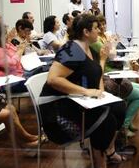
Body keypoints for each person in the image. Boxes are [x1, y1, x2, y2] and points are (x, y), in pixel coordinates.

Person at [39, 14, 127, 167]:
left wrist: (102, 61)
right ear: (86, 32)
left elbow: (96, 79)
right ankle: (101, 162)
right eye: (95, 28)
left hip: (73, 102)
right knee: (106, 120)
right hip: (57, 113)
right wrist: (86, 92)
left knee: (118, 108)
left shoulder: (87, 49)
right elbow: (53, 79)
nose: (99, 31)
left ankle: (109, 151)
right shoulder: (71, 49)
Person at [90, 15, 139, 138]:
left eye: (104, 24)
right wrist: (112, 43)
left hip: (112, 72)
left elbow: (112, 53)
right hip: (107, 76)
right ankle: (124, 126)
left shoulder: (102, 38)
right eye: (98, 26)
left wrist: (112, 44)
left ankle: (128, 120)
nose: (103, 27)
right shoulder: (96, 42)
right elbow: (111, 54)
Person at [0, 24, 34, 93]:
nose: (7, 36)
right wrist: (20, 50)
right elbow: (12, 64)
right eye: (5, 34)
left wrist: (11, 43)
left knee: (44, 70)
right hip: (6, 83)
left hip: (17, 75)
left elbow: (15, 53)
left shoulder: (4, 46)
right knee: (39, 80)